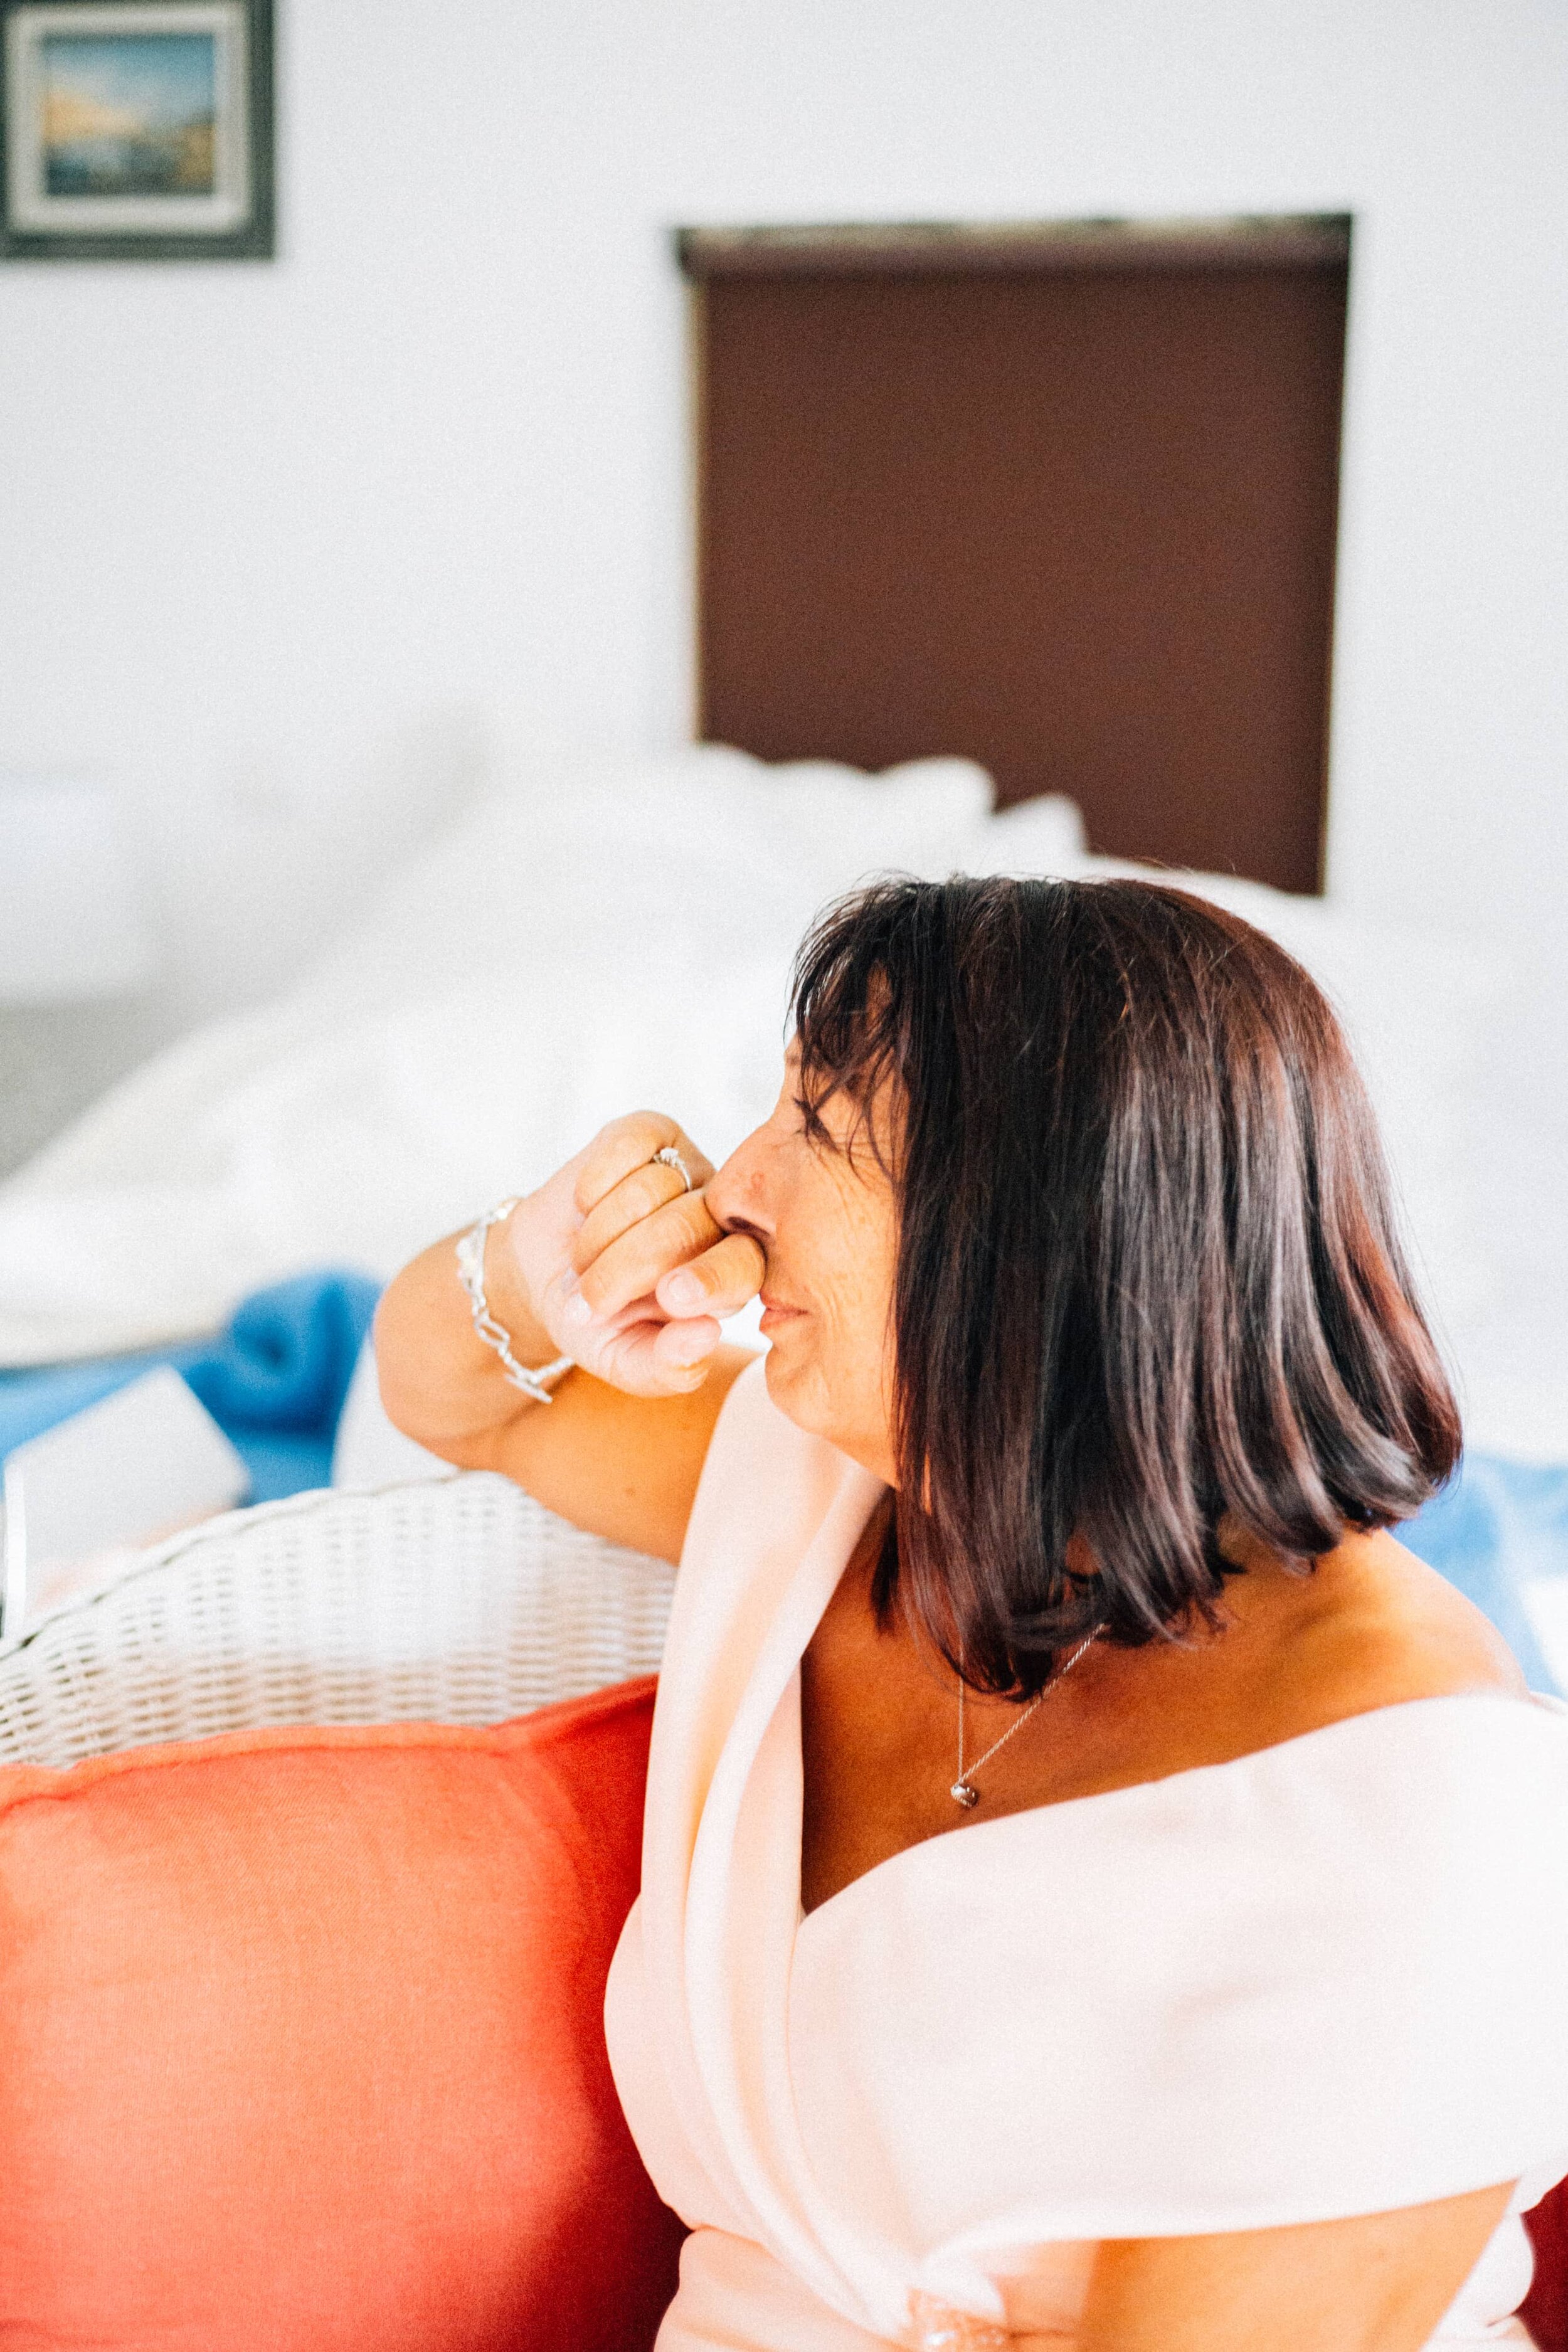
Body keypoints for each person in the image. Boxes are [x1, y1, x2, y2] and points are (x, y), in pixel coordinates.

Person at [376, 876, 1568, 2352]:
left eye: (818, 1126)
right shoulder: (819, 1492)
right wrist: (533, 1259)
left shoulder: (1421, 1807)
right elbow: (459, 1402)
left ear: (1035, 1226)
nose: (733, 1183)